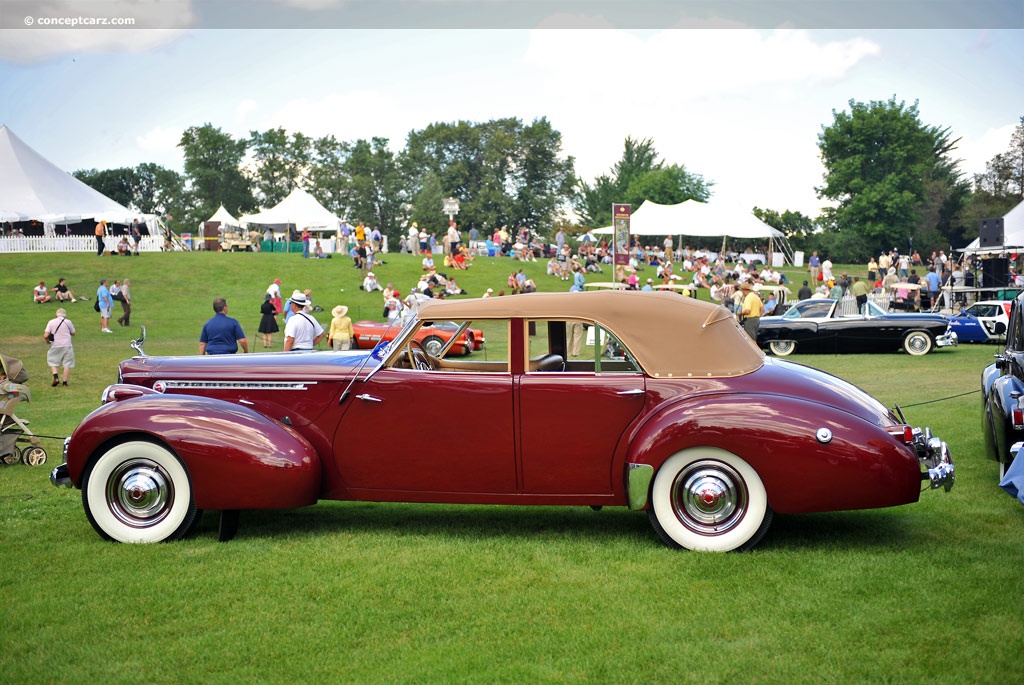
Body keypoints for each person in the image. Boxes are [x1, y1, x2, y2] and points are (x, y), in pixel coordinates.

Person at [43, 308, 76, 387]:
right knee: (67, 364)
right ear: (65, 316)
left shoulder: (51, 322)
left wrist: (47, 341)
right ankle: (65, 383)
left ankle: (56, 377)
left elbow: (46, 335)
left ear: (56, 315)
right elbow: (73, 333)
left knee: (52, 361)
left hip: (56, 345)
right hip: (67, 345)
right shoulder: (68, 322)